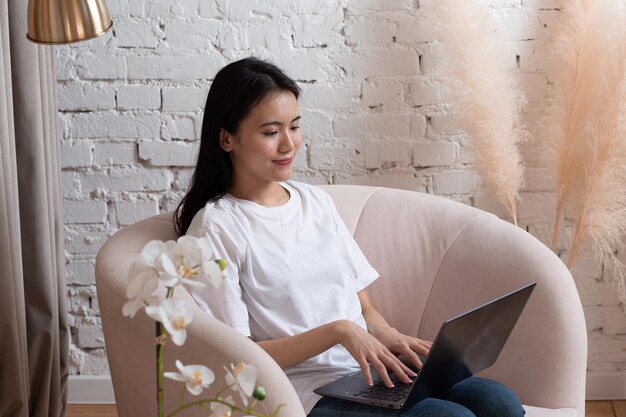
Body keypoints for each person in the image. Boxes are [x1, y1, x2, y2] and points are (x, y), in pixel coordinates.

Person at [174, 57, 525, 417]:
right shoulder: (217, 227)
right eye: (270, 132)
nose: (288, 145)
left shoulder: (315, 202)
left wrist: (388, 335)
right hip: (305, 392)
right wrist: (338, 331)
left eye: (294, 127)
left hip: (368, 373)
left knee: (500, 403)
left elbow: (365, 306)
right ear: (226, 138)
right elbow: (238, 356)